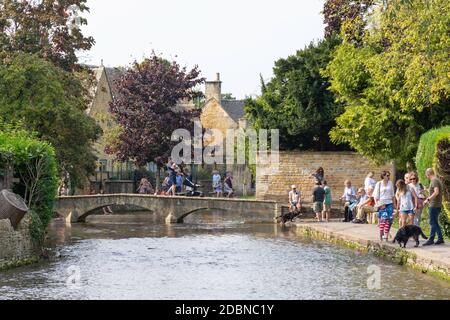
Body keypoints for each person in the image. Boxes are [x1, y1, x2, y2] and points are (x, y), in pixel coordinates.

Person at [423, 168, 445, 246]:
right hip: (436, 205)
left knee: (433, 222)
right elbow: (434, 191)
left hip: (434, 205)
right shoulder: (436, 180)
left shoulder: (434, 181)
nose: (426, 176)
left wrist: (428, 200)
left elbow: (436, 192)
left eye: (426, 175)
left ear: (428, 174)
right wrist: (427, 190)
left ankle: (432, 239)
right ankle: (439, 238)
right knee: (434, 222)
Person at [374, 171, 395, 241]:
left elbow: (392, 194)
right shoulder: (379, 184)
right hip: (382, 203)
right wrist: (378, 205)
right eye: (387, 175)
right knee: (383, 219)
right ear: (383, 176)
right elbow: (376, 196)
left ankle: (386, 233)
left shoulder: (390, 183)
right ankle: (382, 232)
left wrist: (394, 204)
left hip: (389, 203)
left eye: (389, 175)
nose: (388, 177)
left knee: (390, 219)